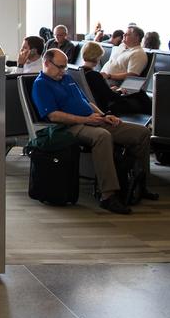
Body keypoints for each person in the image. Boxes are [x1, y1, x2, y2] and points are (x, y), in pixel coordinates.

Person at [31, 49, 157, 215]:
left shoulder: (67, 78)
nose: (63, 71)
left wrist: (104, 116)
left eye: (65, 67)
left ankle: (139, 184)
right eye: (60, 67)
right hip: (68, 127)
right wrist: (86, 120)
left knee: (142, 133)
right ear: (47, 63)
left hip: (91, 120)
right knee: (102, 136)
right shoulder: (41, 84)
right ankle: (108, 195)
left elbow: (87, 102)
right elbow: (53, 115)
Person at [79, 42, 151, 116]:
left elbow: (101, 91)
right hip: (107, 107)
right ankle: (152, 119)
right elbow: (111, 97)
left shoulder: (80, 71)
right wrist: (120, 92)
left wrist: (111, 89)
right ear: (97, 57)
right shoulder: (94, 75)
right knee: (140, 94)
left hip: (94, 104)